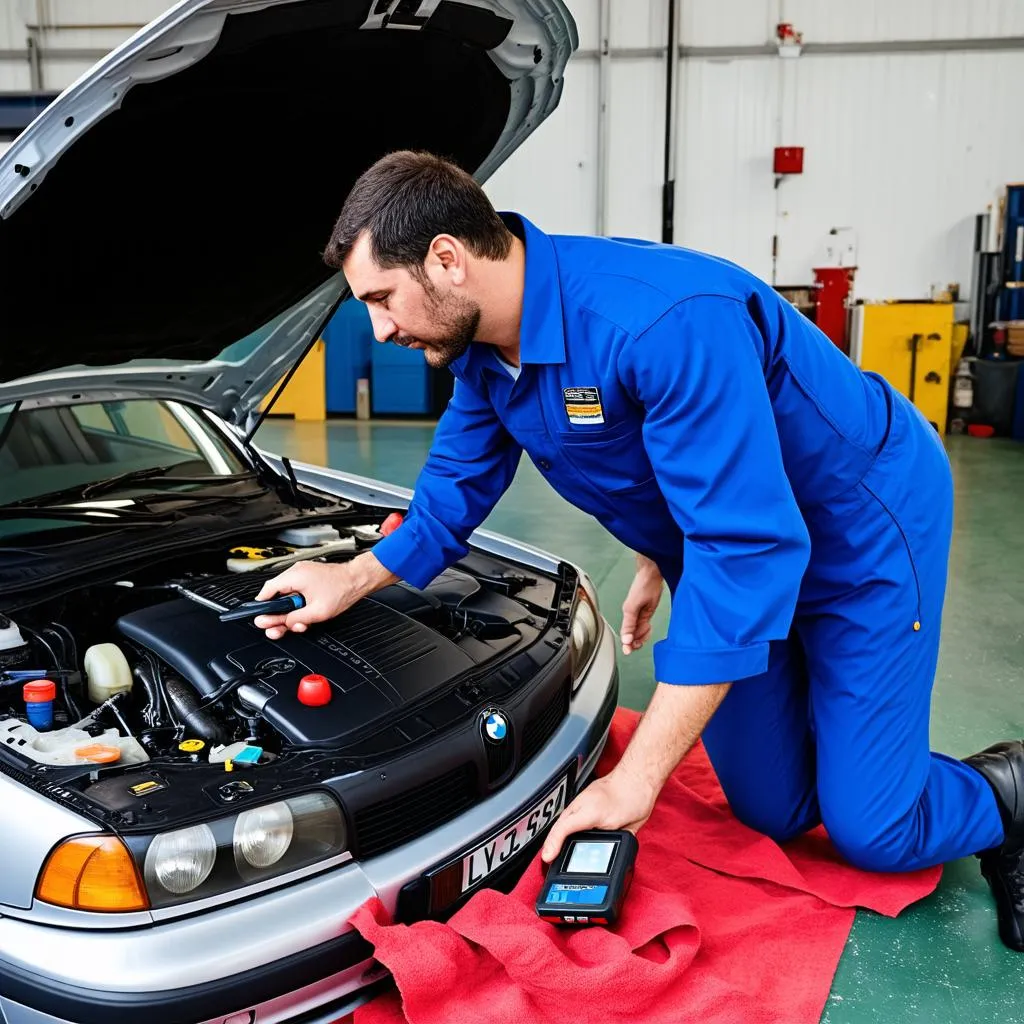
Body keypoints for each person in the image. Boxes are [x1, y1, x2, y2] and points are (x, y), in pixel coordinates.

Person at [254, 150, 1024, 951]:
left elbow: (744, 548)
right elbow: (456, 487)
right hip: (729, 535)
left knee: (875, 831)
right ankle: (845, 746)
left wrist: (640, 778)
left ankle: (1007, 788)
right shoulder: (483, 349)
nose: (379, 330)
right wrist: (354, 576)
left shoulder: (658, 321)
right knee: (773, 808)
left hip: (859, 529)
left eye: (381, 299)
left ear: (447, 258)